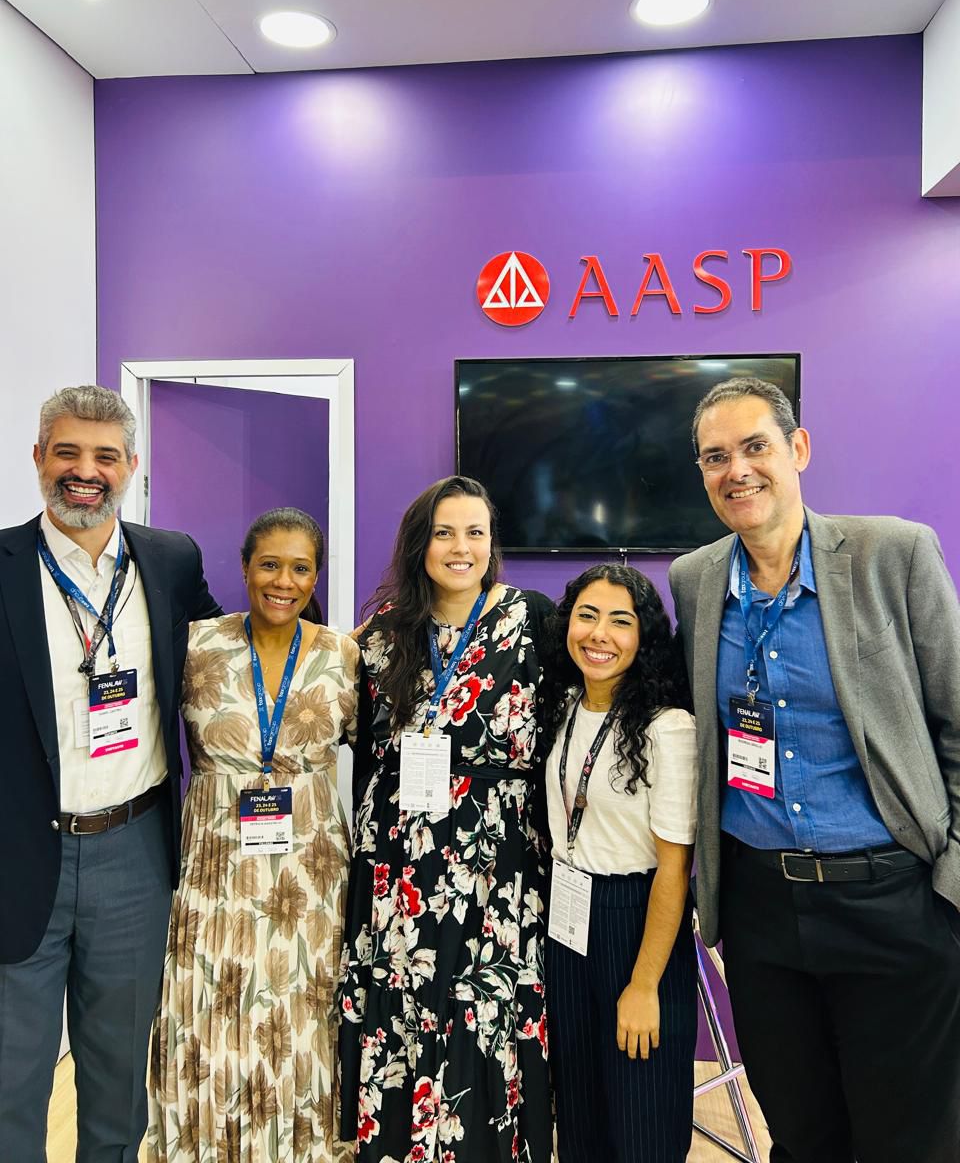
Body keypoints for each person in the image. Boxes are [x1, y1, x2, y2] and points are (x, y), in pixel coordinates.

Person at [669, 376, 960, 1163]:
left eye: (755, 447)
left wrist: (950, 892)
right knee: (800, 1138)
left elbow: (957, 721)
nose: (737, 471)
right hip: (763, 914)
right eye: (716, 457)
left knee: (911, 1143)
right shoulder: (694, 580)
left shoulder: (892, 554)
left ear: (798, 449)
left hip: (894, 903)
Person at [0, 384, 221, 1163]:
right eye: (67, 452)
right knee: (11, 1084)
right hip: (20, 855)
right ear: (38, 458)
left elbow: (231, 656)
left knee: (121, 1082)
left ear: (130, 464)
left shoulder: (170, 559)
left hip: (134, 854)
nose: (85, 471)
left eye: (104, 456)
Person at [338, 475, 554, 1163]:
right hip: (398, 862)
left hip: (498, 860)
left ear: (492, 543)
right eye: (444, 533)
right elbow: (359, 748)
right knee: (402, 1000)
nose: (461, 548)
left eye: (475, 533)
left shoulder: (533, 621)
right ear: (419, 544)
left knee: (485, 1005)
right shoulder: (383, 635)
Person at [147, 507, 358, 1163]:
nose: (283, 581)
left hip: (309, 869)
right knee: (207, 1009)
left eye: (300, 568)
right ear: (244, 568)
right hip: (214, 861)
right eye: (269, 565)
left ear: (316, 576)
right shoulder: (196, 646)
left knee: (298, 1010)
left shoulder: (343, 655)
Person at [541, 563, 697, 1163]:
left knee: (642, 1122)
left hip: (636, 920)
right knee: (580, 1119)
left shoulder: (667, 728)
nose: (599, 634)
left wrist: (644, 984)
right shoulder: (562, 707)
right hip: (567, 918)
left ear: (644, 635)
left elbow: (674, 869)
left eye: (620, 621)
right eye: (587, 616)